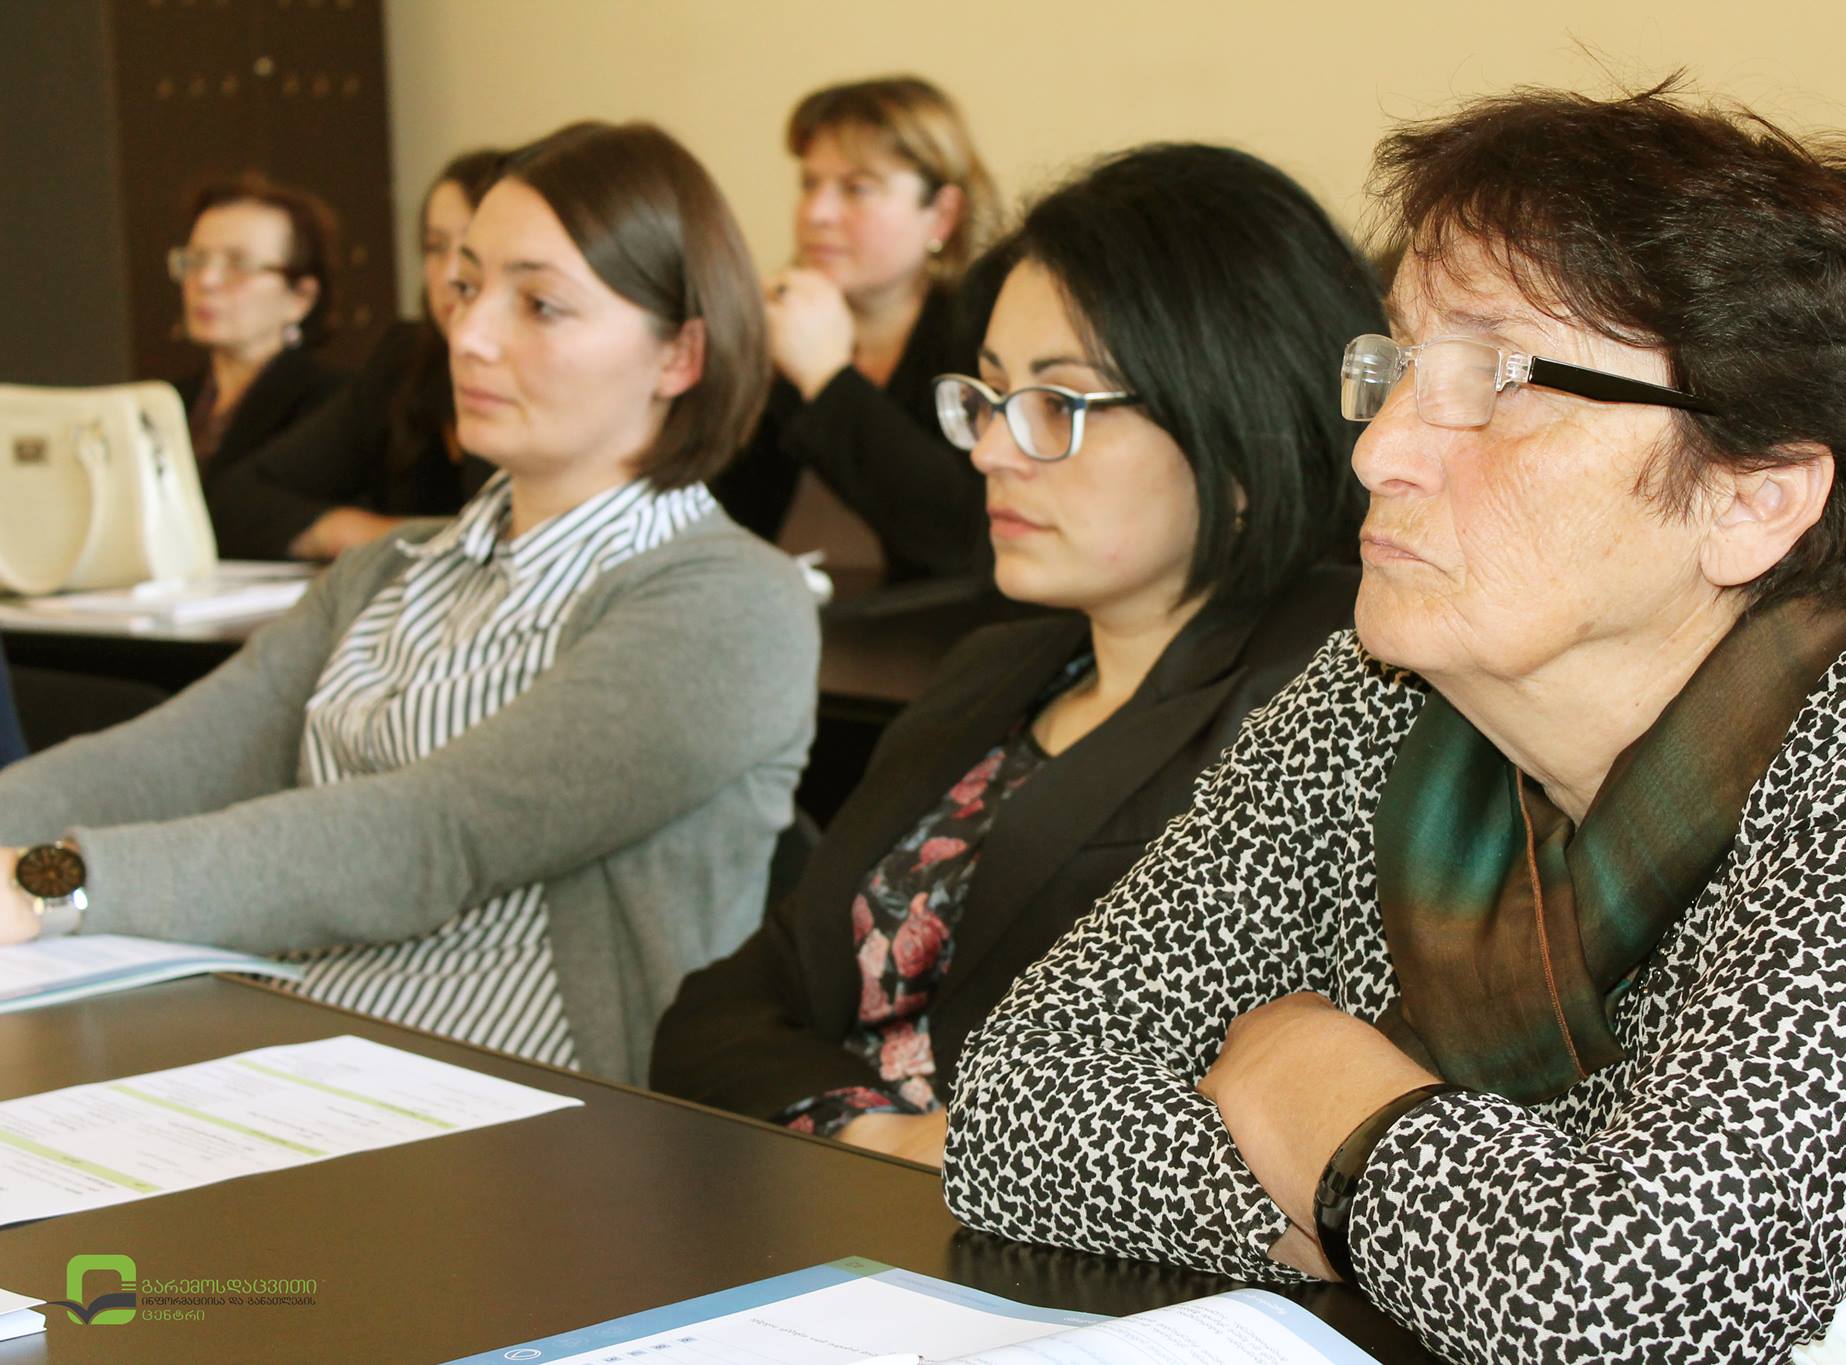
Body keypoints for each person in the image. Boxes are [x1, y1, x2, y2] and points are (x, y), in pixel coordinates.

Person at [944, 83, 1846, 1361]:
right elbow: (1015, 1106)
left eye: (1495, 383)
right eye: (1399, 367)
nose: (1378, 453)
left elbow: (1639, 1306)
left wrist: (1320, 1090)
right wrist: (1455, 1217)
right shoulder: (1384, 696)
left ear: (1752, 499)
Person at [0, 121, 819, 1086]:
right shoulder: (395, 567)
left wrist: (52, 881)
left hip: (528, 1111)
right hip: (284, 1037)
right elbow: (171, 761)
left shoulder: (731, 602)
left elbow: (431, 837)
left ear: (679, 355)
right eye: (466, 287)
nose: (468, 334)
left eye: (540, 305)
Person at [651, 143, 1385, 1167]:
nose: (992, 450)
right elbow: (718, 1011)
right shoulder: (994, 671)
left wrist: (924, 1153)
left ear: (1240, 425)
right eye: (990, 397)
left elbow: (1185, 1105)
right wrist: (884, 1138)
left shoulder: (1325, 702)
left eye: (1059, 405)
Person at [710, 75, 996, 581]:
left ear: (942, 214)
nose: (816, 213)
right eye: (809, 184)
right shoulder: (774, 325)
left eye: (857, 189)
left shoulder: (986, 336)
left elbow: (963, 539)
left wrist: (827, 378)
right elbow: (717, 526)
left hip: (938, 626)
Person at [208, 149, 507, 561]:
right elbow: (235, 502)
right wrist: (378, 537)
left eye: (473, 248)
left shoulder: (537, 370)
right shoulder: (406, 361)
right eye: (435, 247)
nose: (451, 274)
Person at [170, 174, 350, 521]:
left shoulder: (333, 405)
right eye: (196, 260)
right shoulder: (170, 401)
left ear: (300, 297)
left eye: (238, 264)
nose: (206, 281)